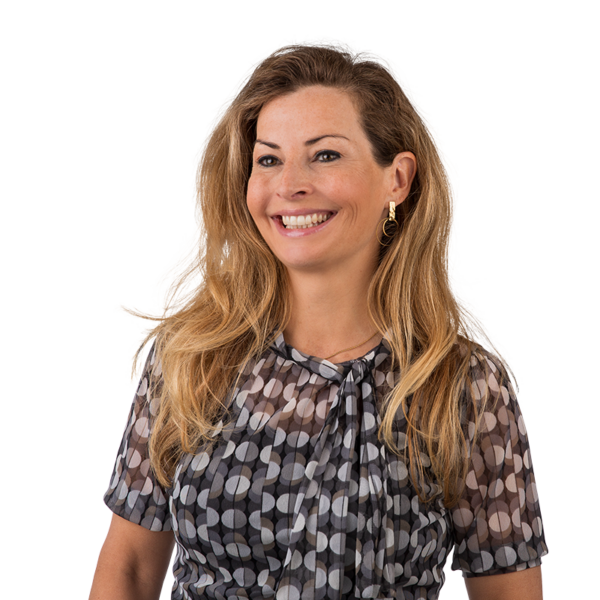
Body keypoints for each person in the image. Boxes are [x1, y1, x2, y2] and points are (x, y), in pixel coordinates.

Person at [89, 36, 548, 600]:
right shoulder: (190, 356)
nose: (289, 185)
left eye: (325, 155)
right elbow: (130, 569)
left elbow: (509, 594)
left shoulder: (462, 383)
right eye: (269, 159)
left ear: (398, 178)